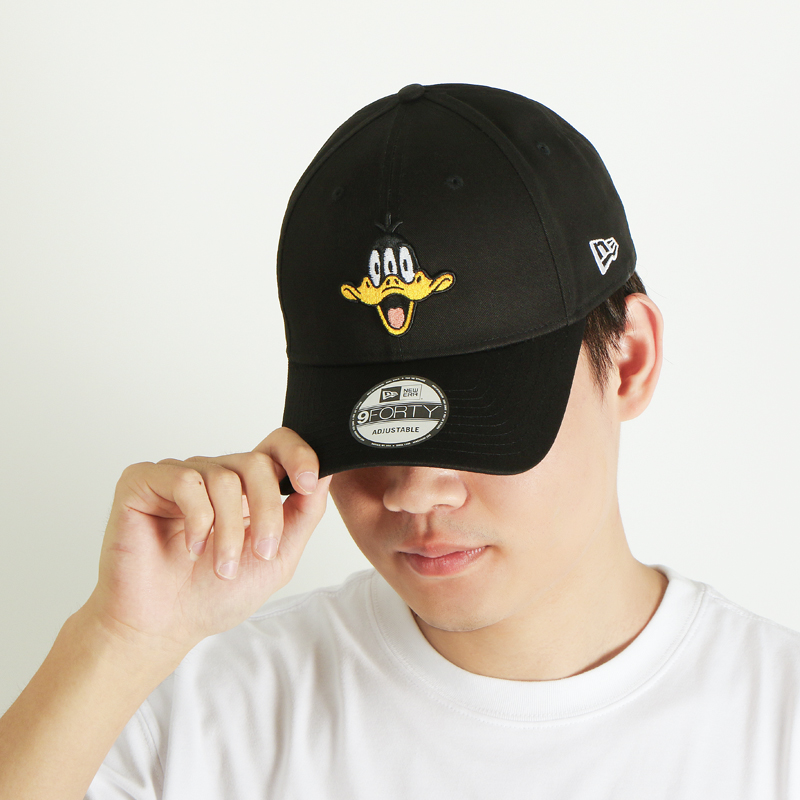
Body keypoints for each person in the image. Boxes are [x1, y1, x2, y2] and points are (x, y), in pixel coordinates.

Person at [1, 83, 798, 800]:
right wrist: (120, 640)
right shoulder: (203, 715)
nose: (414, 490)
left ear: (628, 361)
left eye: (483, 425)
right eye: (369, 426)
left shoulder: (777, 732)